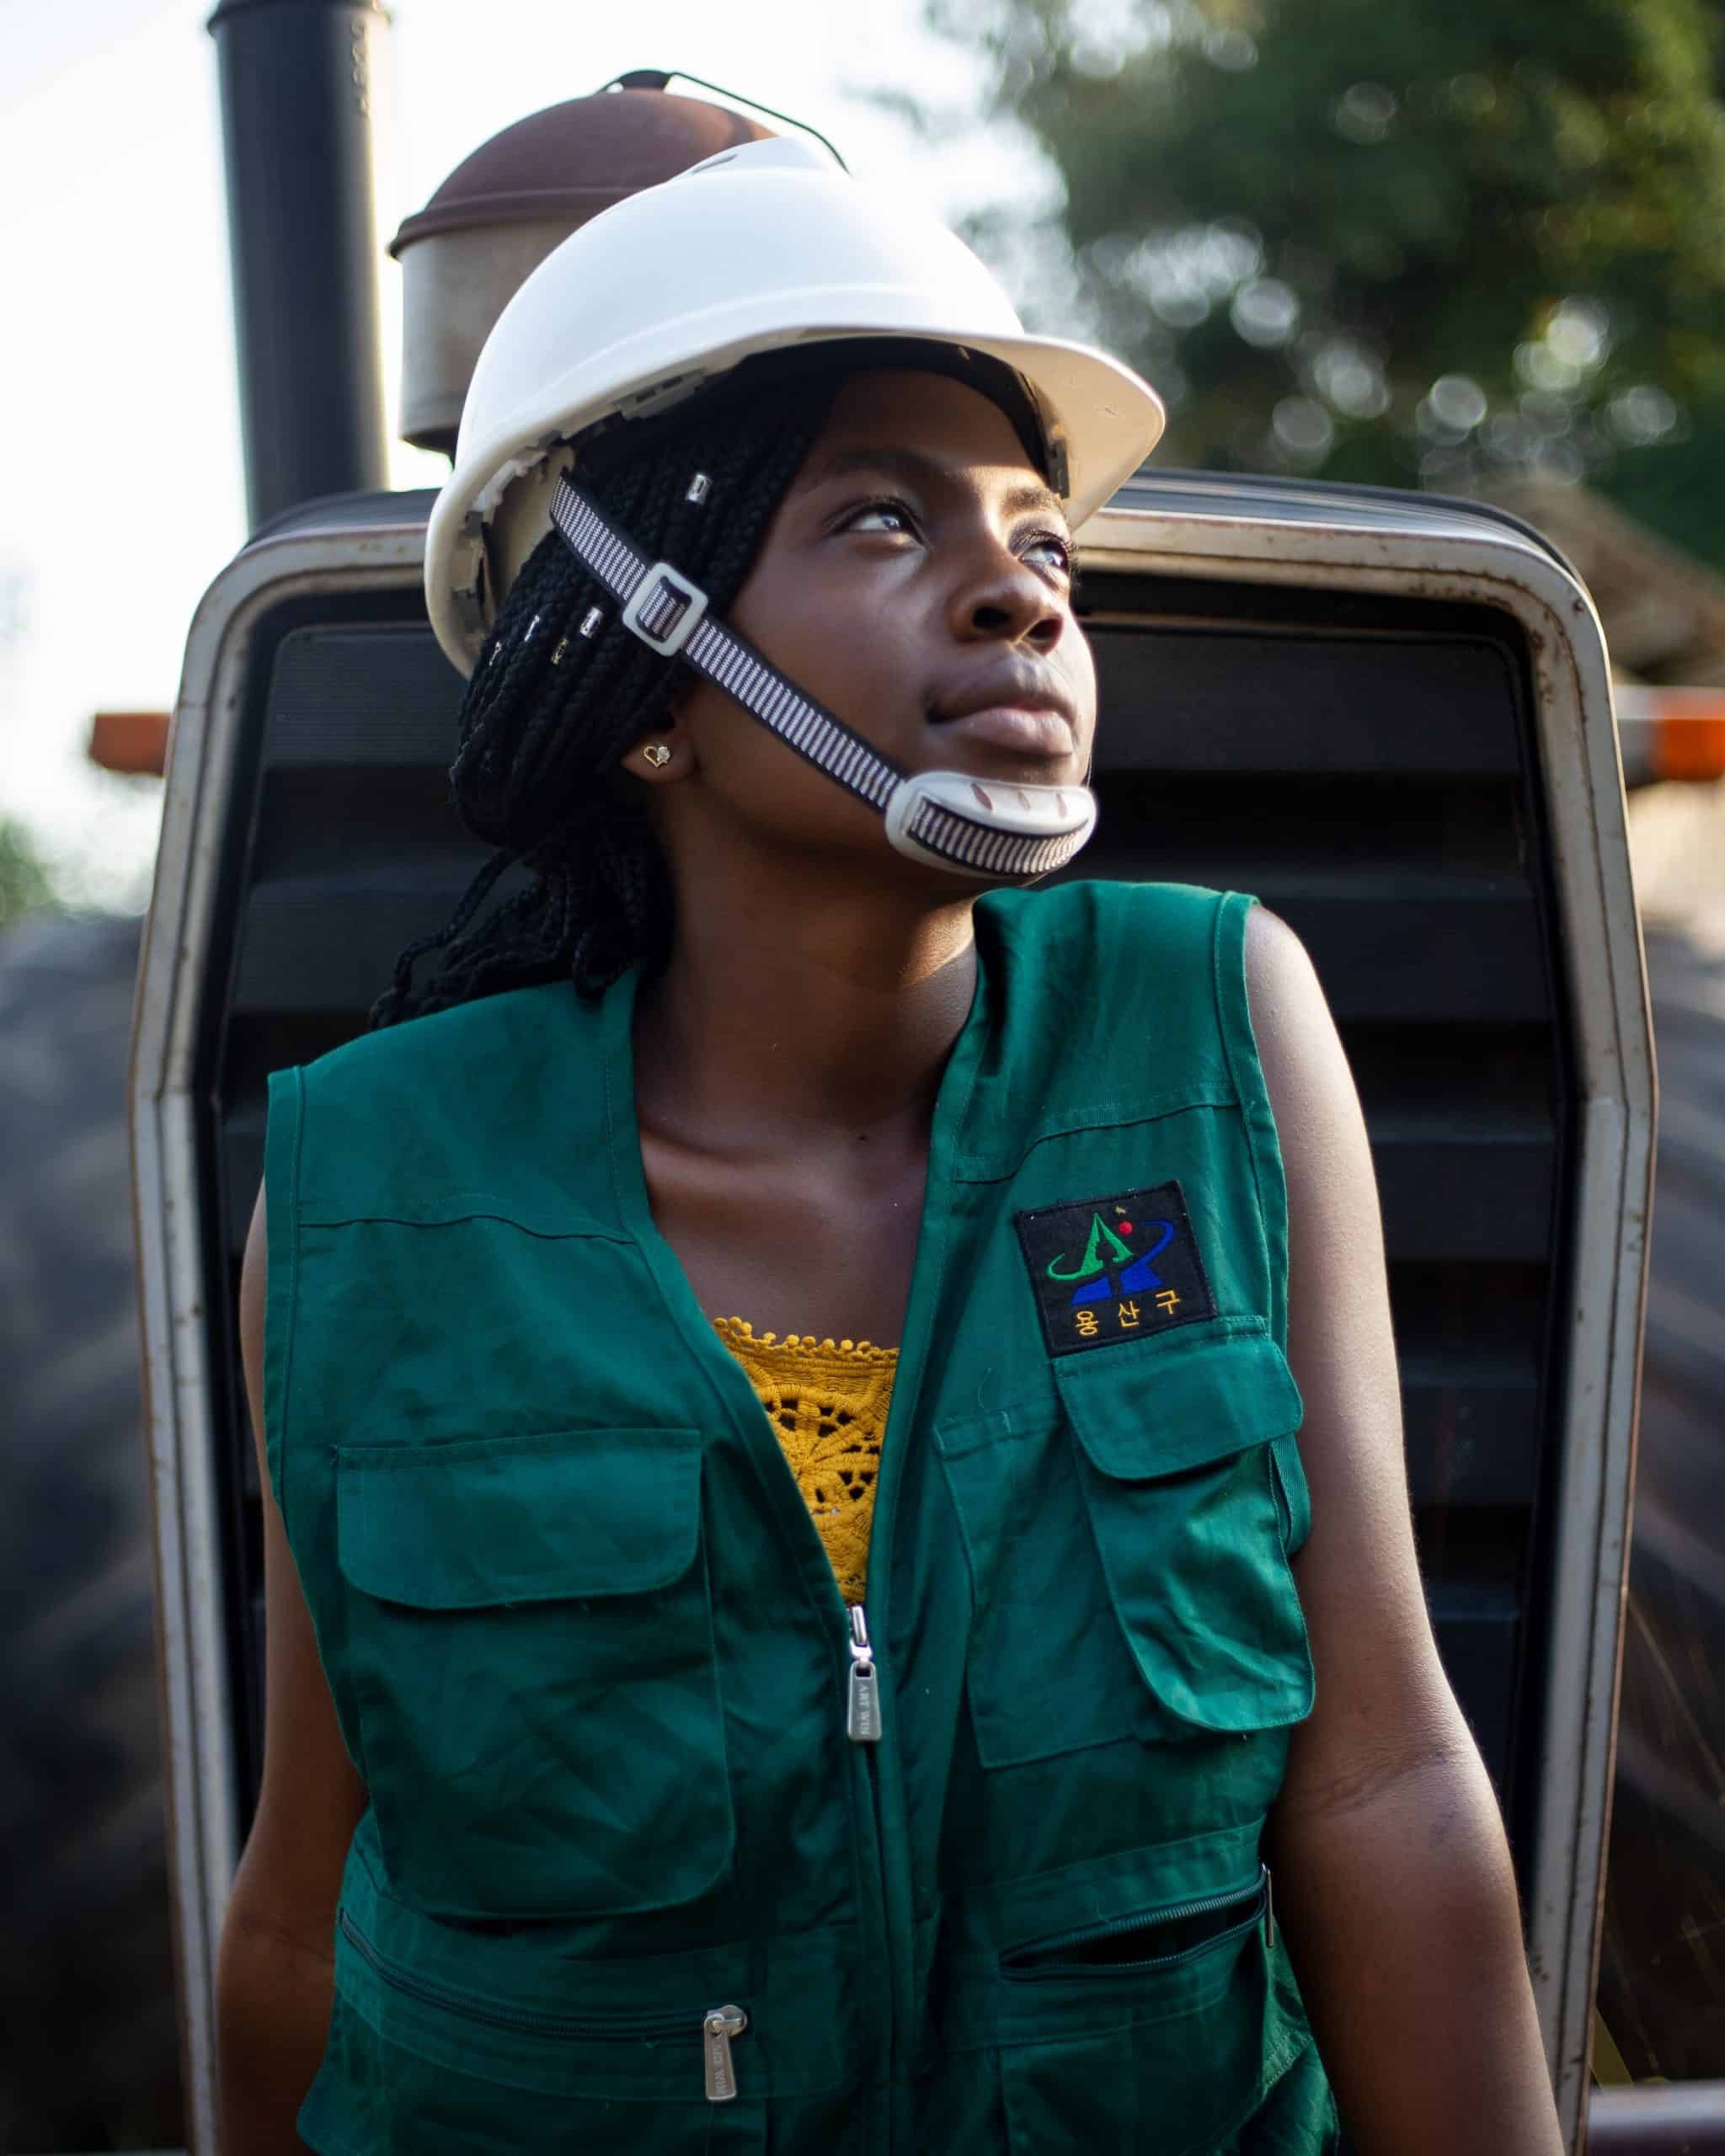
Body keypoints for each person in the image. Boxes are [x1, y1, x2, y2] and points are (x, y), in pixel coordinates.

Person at [216, 139, 1565, 2153]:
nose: (1021, 584)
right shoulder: (359, 1202)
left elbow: (1381, 1778)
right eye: (879, 516)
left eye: (1042, 538)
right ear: (639, 656)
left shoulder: (1218, 1029)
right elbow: (308, 1898)